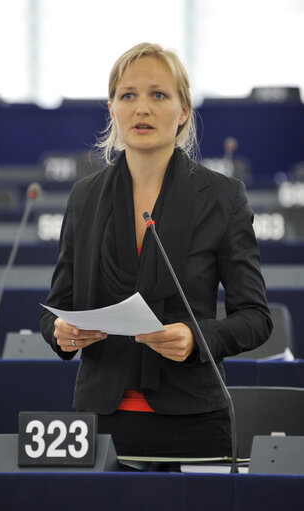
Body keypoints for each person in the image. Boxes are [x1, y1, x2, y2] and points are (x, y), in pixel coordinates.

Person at [40, 42, 272, 458]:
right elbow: (55, 310)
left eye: (158, 95)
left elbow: (255, 318)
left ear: (183, 111)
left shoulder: (223, 197)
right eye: (128, 95)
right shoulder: (84, 198)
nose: (141, 108)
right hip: (99, 424)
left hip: (194, 423)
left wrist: (196, 337)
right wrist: (62, 333)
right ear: (111, 108)